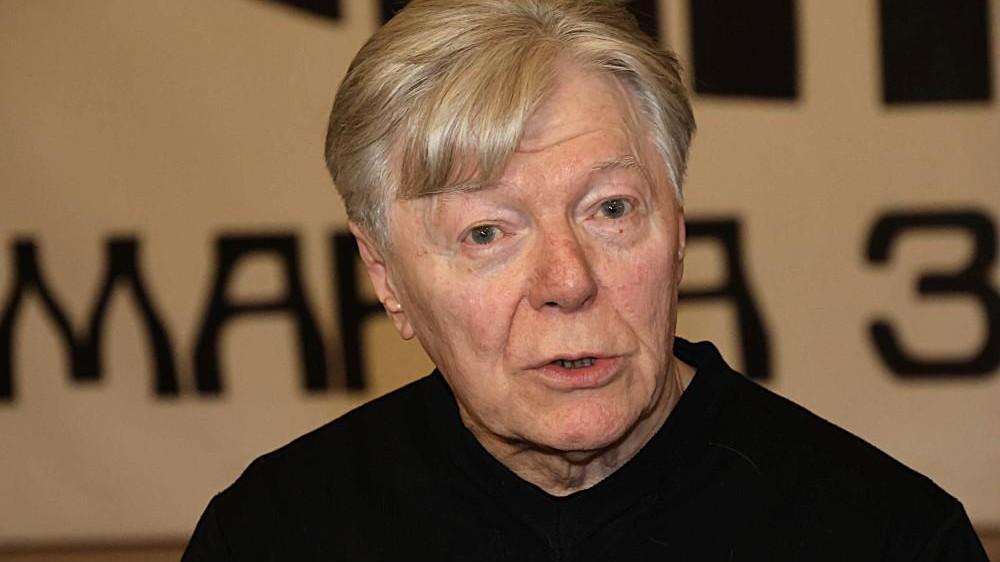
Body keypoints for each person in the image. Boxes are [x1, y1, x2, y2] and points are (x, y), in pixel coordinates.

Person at [183, 1, 989, 560]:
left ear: (678, 228)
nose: (568, 281)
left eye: (610, 209)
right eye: (486, 232)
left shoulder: (885, 537)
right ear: (386, 277)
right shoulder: (272, 535)